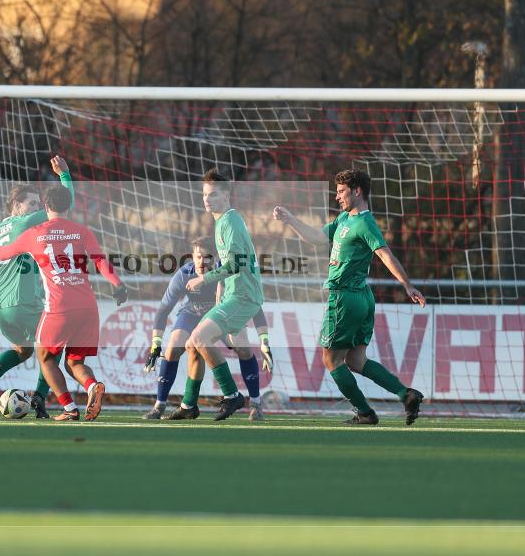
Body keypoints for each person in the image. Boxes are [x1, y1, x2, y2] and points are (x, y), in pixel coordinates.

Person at [273, 168, 426, 425]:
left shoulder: (364, 222)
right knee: (356, 360)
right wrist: (291, 220)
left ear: (357, 192)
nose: (337, 197)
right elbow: (317, 238)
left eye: (342, 192)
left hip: (346, 298)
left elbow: (384, 254)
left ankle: (365, 412)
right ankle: (406, 394)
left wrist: (407, 285)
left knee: (331, 359)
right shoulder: (344, 219)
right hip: (361, 298)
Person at [0, 185, 127, 421]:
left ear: (46, 207)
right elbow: (99, 260)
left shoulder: (35, 233)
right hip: (88, 308)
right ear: (68, 206)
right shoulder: (82, 231)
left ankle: (68, 408)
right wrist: (117, 284)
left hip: (57, 307)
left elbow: (1, 254)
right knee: (74, 362)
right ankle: (92, 385)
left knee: (45, 356)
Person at [0, 155, 73, 418]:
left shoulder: (0, 228)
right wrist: (65, 176)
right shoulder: (24, 223)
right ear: (16, 205)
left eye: (38, 203)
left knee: (23, 350)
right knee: (54, 345)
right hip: (21, 302)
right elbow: (64, 202)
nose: (37, 207)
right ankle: (39, 398)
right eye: (32, 203)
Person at [169, 169, 265, 422]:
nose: (207, 199)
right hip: (233, 294)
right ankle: (189, 405)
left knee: (200, 339)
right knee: (192, 344)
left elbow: (235, 265)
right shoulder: (223, 221)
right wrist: (221, 289)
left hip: (243, 296)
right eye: (204, 194)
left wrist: (204, 278)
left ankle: (233, 396)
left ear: (226, 196)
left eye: (213, 194)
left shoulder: (230, 221)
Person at [144, 236, 272, 421]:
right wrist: (156, 344)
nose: (202, 261)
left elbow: (253, 304)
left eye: (207, 257)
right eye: (198, 256)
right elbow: (163, 310)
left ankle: (255, 403)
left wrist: (264, 341)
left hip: (220, 314)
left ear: (216, 258)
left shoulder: (228, 273)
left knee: (242, 346)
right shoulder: (184, 274)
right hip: (191, 315)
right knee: (173, 348)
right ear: (192, 256)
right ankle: (161, 405)